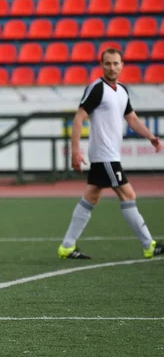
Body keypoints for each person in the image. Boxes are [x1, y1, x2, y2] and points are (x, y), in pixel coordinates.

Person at [58, 48, 163, 260]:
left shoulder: (122, 91)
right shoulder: (97, 89)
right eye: (108, 64)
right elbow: (79, 118)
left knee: (92, 196)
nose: (112, 68)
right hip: (105, 155)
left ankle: (67, 247)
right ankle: (149, 245)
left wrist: (150, 137)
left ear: (122, 65)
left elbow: (131, 119)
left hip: (109, 155)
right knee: (128, 195)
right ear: (102, 65)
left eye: (116, 63)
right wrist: (75, 152)